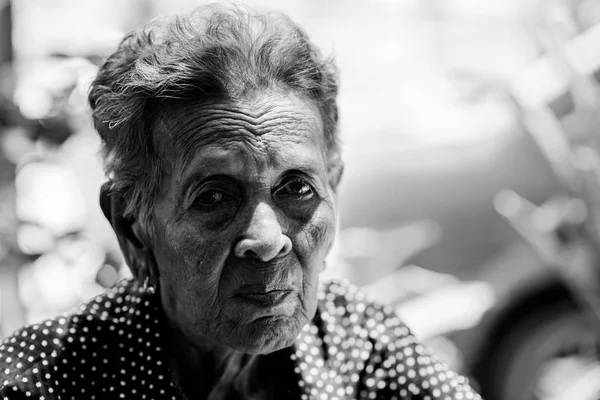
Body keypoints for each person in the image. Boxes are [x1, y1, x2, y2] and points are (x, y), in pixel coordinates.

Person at [0, 4, 482, 399]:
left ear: (333, 185)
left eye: (297, 188)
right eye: (212, 197)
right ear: (132, 227)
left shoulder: (362, 348)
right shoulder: (48, 380)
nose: (267, 240)